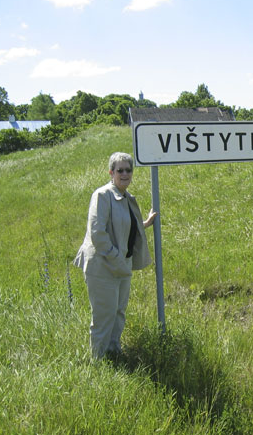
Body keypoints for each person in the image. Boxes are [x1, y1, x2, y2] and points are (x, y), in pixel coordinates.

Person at [74, 152, 157, 359]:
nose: (125, 174)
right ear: (111, 172)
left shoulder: (127, 198)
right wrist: (116, 257)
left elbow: (123, 227)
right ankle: (99, 361)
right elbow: (97, 233)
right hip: (102, 265)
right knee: (104, 316)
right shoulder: (102, 195)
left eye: (128, 170)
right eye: (120, 170)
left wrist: (144, 223)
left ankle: (114, 351)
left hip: (121, 264)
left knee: (119, 312)